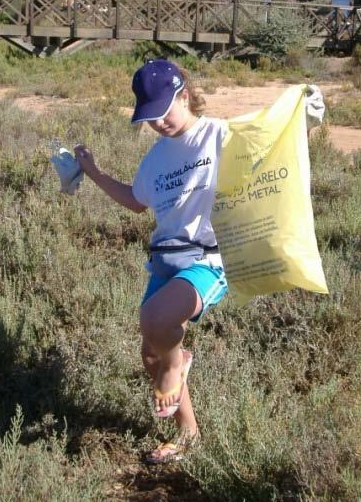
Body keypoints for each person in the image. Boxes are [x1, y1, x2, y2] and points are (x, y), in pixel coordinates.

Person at [74, 58, 324, 464]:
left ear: (184, 96)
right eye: (150, 117)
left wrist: (305, 113)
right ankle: (189, 433)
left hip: (208, 258)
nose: (158, 123)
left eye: (163, 112)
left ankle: (180, 364)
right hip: (165, 259)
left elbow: (269, 138)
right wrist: (93, 171)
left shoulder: (218, 134)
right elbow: (136, 202)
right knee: (152, 355)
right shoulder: (154, 158)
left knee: (157, 323)